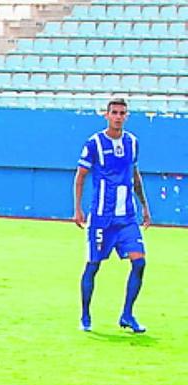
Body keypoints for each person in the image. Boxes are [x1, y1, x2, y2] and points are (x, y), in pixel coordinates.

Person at [73, 97, 152, 333]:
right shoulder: (94, 143)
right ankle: (85, 314)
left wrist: (145, 206)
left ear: (127, 116)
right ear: (106, 115)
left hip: (127, 217)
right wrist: (77, 208)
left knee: (140, 262)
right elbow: (80, 176)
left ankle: (127, 314)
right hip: (102, 218)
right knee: (93, 266)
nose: (118, 116)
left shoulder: (132, 143)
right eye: (114, 112)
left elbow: (135, 175)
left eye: (122, 112)